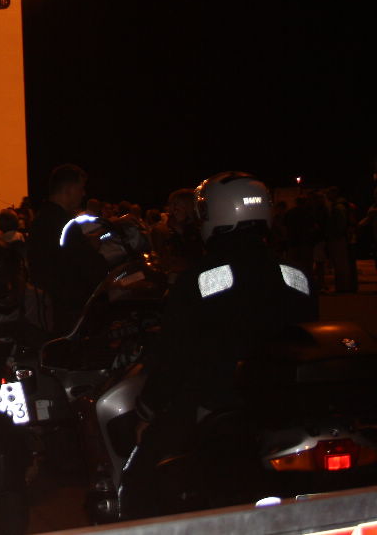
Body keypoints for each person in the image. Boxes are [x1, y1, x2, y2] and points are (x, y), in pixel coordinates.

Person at [124, 172, 316, 517]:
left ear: (215, 213)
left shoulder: (200, 280)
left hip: (218, 403)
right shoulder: (297, 274)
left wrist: (146, 411)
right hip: (286, 407)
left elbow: (173, 355)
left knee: (139, 479)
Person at [26, 164, 107, 332]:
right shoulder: (63, 224)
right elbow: (88, 266)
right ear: (68, 189)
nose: (83, 194)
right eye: (81, 188)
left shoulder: (42, 219)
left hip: (50, 307)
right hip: (68, 311)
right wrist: (93, 250)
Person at [150, 188, 204, 275]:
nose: (171, 211)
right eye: (171, 205)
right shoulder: (167, 228)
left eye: (176, 207)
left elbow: (195, 256)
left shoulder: (198, 228)